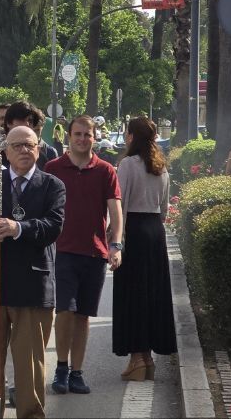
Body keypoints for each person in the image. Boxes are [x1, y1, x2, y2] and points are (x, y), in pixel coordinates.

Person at [0, 126, 65, 419]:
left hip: (31, 286)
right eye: (16, 145)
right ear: (4, 152)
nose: (23, 150)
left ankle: (30, 414)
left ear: (39, 149)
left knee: (28, 363)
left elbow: (53, 226)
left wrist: (18, 228)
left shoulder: (52, 185)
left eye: (29, 145)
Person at [44, 116, 123, 396]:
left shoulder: (105, 170)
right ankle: (61, 367)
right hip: (61, 251)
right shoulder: (53, 168)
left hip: (94, 252)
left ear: (94, 136)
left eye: (87, 134)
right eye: (77, 134)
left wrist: (116, 245)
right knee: (64, 311)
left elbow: (115, 209)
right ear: (68, 136)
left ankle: (77, 372)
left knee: (83, 316)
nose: (82, 139)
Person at [113, 117, 177, 381]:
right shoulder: (161, 168)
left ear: (131, 137)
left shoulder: (127, 164)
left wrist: (117, 238)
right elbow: (164, 208)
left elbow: (121, 202)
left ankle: (137, 358)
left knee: (133, 294)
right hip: (154, 230)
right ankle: (148, 358)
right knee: (152, 292)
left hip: (135, 229)